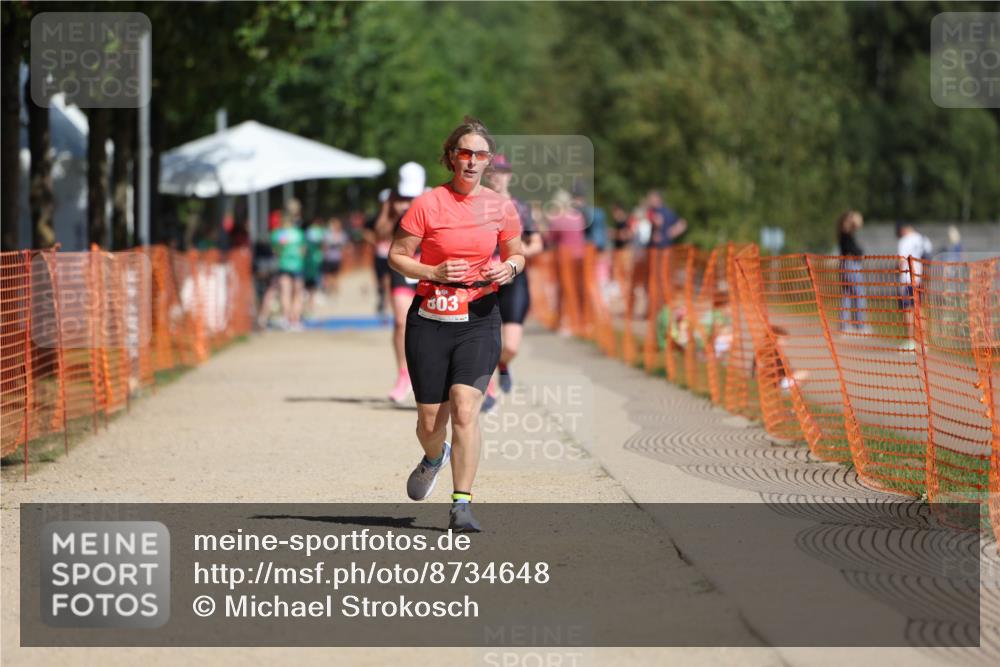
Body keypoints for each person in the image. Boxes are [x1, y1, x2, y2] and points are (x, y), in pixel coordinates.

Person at [388, 117, 524, 532]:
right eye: (463, 153)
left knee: (466, 409)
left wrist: (510, 269)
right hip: (431, 319)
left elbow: (516, 252)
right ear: (451, 157)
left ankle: (461, 503)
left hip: (479, 319)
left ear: (487, 162)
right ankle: (434, 457)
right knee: (431, 422)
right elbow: (397, 255)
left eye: (479, 154)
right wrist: (433, 270)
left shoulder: (500, 206)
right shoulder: (428, 203)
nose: (471, 161)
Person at [481, 154, 544, 411]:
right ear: (487, 175)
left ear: (510, 175)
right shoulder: (477, 204)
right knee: (484, 342)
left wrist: (510, 258)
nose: (498, 175)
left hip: (514, 279)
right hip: (484, 280)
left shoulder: (521, 207)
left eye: (503, 171)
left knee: (511, 345)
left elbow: (537, 244)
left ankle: (504, 364)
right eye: (493, 171)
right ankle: (487, 393)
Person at [385, 162, 427, 404]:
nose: (408, 199)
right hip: (402, 266)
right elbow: (379, 233)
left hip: (428, 267)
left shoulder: (434, 199)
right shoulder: (393, 201)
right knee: (401, 320)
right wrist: (391, 210)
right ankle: (404, 374)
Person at [896, 221, 932, 351]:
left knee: (908, 310)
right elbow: (928, 259)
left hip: (907, 279)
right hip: (920, 279)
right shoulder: (924, 239)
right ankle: (924, 341)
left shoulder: (904, 241)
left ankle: (911, 341)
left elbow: (901, 262)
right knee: (920, 309)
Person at [270, 202, 306, 330]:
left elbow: (275, 250)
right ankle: (295, 320)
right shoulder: (299, 234)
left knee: (285, 292)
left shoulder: (277, 234)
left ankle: (286, 318)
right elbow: (303, 251)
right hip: (297, 266)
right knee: (298, 293)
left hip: (284, 265)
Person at [836, 210, 871, 334]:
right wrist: (860, 252)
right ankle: (859, 326)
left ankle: (844, 325)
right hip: (851, 264)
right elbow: (853, 249)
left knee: (847, 294)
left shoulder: (843, 234)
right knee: (859, 293)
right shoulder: (846, 235)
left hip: (845, 265)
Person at [321, 217, 347, 296]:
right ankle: (328, 289)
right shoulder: (327, 234)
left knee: (335, 274)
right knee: (327, 275)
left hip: (337, 258)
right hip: (328, 258)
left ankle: (334, 290)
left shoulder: (342, 234)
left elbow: (344, 246)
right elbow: (324, 246)